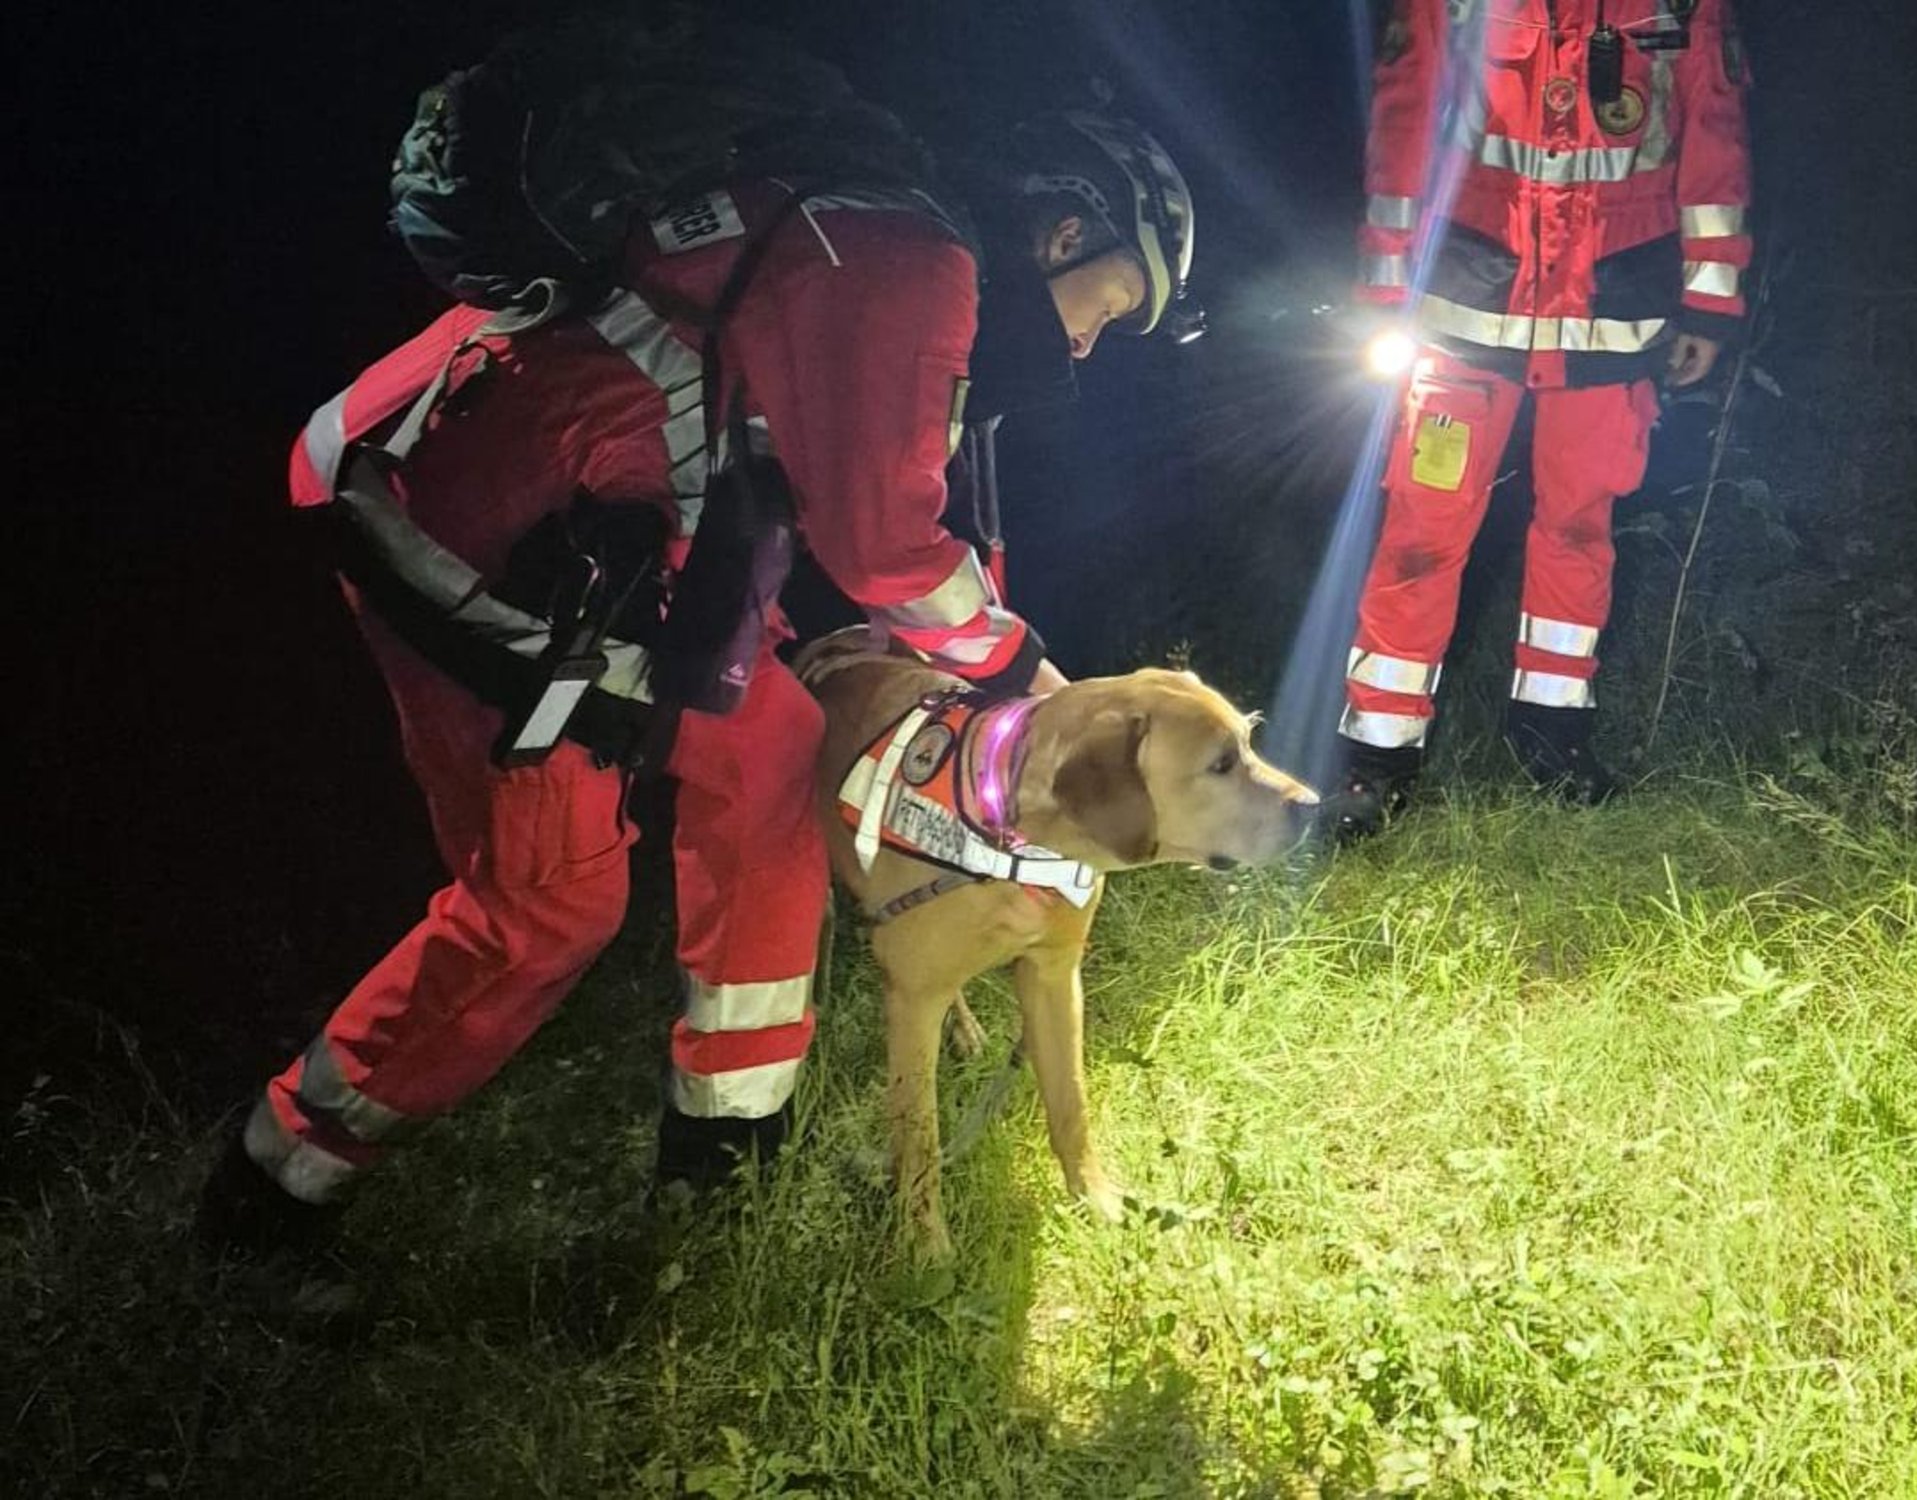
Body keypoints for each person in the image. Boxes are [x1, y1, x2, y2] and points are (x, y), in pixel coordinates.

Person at [194, 101, 1202, 1293]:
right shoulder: (913, 262)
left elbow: (863, 505)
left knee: (771, 745)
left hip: (606, 524)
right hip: (462, 516)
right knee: (548, 905)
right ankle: (273, 1182)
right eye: (1111, 306)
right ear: (1067, 234)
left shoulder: (885, 235)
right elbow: (887, 550)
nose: (1086, 345)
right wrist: (1040, 683)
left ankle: (725, 1160)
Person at [1322, 0, 1752, 839]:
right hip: (1463, 305)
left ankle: (1552, 735)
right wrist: (1383, 285)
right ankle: (1376, 756)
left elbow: (1716, 141)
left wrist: (1710, 303)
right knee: (1421, 531)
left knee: (1580, 527)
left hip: (1613, 306)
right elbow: (1403, 122)